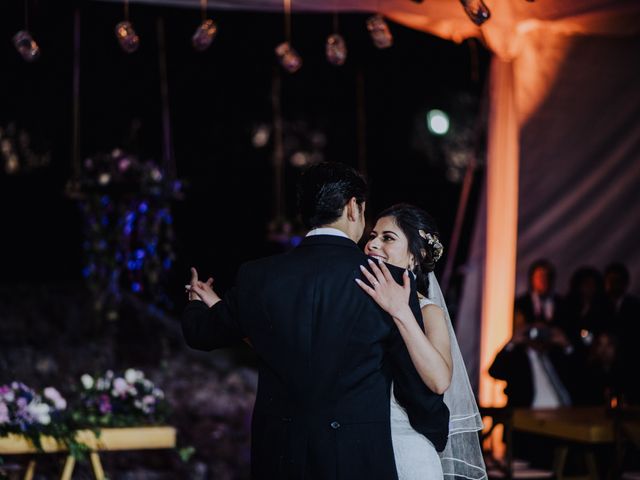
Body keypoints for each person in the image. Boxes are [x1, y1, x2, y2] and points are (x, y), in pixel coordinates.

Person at [182, 162, 449, 480]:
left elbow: (201, 334)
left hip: (280, 456)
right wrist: (433, 431)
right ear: (353, 208)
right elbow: (412, 382)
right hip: (357, 456)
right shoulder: (386, 283)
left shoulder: (258, 276)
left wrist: (198, 306)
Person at [357, 204, 486, 479]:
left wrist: (400, 311)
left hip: (407, 449)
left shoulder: (428, 312)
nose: (373, 244)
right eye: (372, 236)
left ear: (417, 257)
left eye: (387, 238)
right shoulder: (356, 305)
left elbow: (439, 380)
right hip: (360, 449)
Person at [514, 259, 564, 330]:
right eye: (539, 276)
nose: (543, 280)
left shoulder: (561, 303)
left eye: (546, 276)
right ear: (532, 279)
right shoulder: (521, 303)